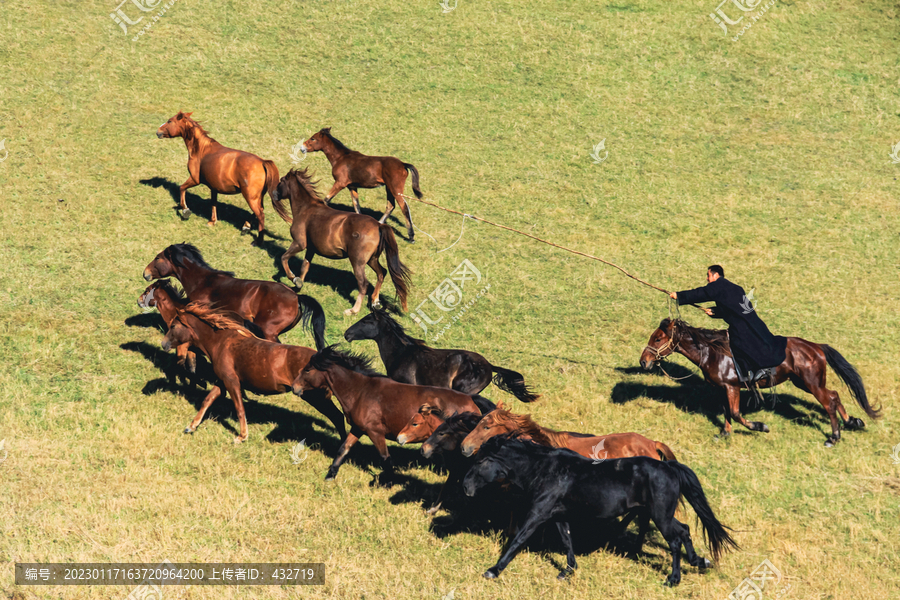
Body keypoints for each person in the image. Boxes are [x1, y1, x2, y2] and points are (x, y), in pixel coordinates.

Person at [669, 265, 786, 382]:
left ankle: (758, 370)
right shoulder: (735, 288)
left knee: (738, 344)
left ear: (715, 275)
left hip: (742, 326)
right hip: (753, 323)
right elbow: (733, 308)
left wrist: (679, 295)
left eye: (708, 275)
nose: (707, 279)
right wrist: (715, 311)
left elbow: (700, 293)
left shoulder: (718, 285)